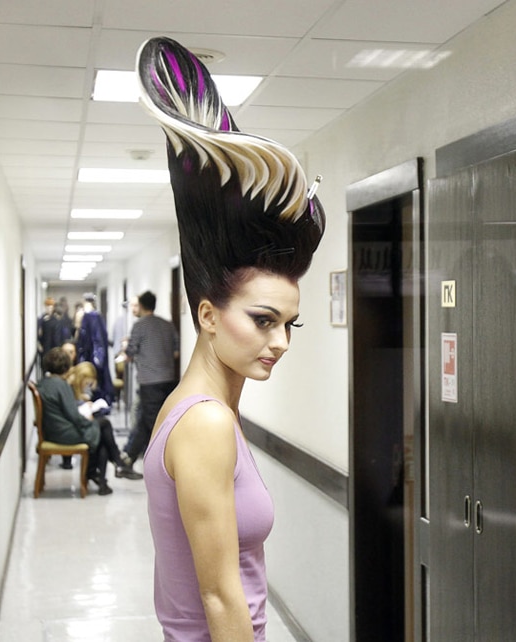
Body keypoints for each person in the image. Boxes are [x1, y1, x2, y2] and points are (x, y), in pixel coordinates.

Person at [136, 37, 325, 641]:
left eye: (289, 324)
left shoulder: (196, 407)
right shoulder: (206, 422)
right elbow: (219, 597)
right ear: (208, 315)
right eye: (264, 320)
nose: (281, 341)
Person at [37, 347, 143, 496]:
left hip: (54, 430)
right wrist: (89, 421)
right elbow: (73, 415)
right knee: (103, 425)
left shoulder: (44, 383)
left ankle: (104, 477)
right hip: (64, 434)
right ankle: (116, 465)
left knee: (101, 434)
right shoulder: (61, 385)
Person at [122, 291, 179, 464]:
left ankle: (136, 456)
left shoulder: (139, 326)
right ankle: (131, 454)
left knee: (150, 421)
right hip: (169, 379)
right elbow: (176, 352)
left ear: (141, 305)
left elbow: (130, 352)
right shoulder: (168, 325)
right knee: (157, 417)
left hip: (149, 380)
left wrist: (126, 348)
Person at [77, 293, 115, 405]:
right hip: (94, 360)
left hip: (92, 360)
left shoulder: (91, 317)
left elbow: (96, 341)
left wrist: (96, 361)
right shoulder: (97, 317)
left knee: (93, 389)